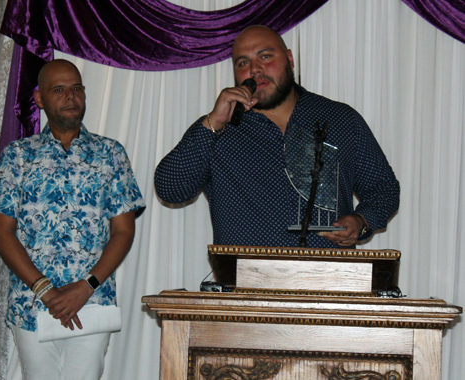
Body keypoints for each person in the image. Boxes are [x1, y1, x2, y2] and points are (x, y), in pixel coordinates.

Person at [154, 25, 399, 249]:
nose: (254, 69)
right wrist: (212, 123)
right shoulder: (220, 130)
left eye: (265, 56)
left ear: (290, 60)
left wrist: (362, 221)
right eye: (242, 63)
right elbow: (171, 189)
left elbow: (384, 190)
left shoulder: (339, 119)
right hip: (244, 289)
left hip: (329, 284)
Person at [0, 59, 145, 380]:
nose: (71, 97)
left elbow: (123, 232)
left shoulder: (111, 154)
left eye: (77, 88)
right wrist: (45, 290)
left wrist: (86, 287)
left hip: (92, 304)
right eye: (59, 90)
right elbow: (1, 232)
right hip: (32, 304)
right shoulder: (18, 156)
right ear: (40, 99)